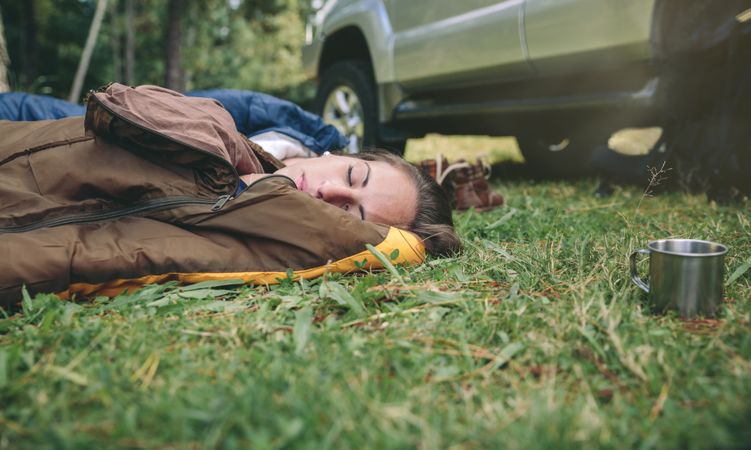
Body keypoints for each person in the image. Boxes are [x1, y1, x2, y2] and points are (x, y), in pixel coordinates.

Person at [0, 83, 460, 305]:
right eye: (352, 175)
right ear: (336, 152)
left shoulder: (248, 237)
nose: (328, 190)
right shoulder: (234, 137)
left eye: (352, 212)